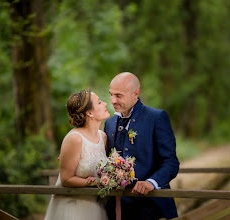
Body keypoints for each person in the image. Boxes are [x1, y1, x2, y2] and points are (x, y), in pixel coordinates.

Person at [104, 72, 180, 220]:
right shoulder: (109, 123)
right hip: (116, 207)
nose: (113, 100)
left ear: (135, 93)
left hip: (150, 206)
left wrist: (151, 183)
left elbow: (171, 162)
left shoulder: (157, 117)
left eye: (118, 96)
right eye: (111, 94)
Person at [45, 89, 110, 220]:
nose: (105, 104)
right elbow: (66, 179)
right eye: (99, 102)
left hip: (95, 205)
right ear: (89, 112)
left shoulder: (103, 137)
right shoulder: (74, 139)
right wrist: (89, 182)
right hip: (72, 206)